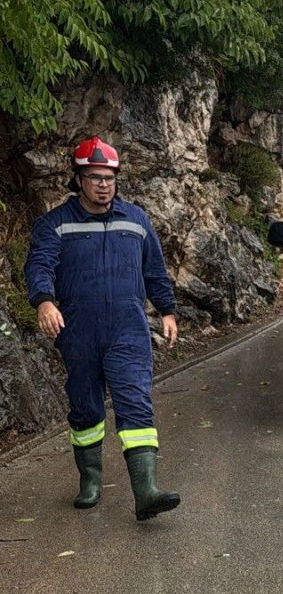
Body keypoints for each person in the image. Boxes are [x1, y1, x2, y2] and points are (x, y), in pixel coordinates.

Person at [25, 136, 181, 521]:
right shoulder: (54, 225)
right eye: (94, 177)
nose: (103, 184)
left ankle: (146, 491)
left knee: (135, 401)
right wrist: (45, 301)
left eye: (109, 177)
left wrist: (167, 310)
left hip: (128, 328)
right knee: (85, 406)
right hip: (78, 329)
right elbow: (39, 265)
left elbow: (154, 270)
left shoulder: (136, 220)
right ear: (78, 179)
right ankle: (90, 480)